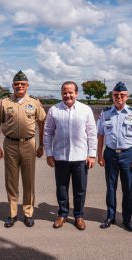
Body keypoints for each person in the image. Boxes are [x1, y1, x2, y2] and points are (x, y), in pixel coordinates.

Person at [0, 70, 46, 228]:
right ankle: (12, 213)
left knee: (29, 180)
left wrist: (41, 145)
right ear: (12, 86)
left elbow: (42, 123)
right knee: (11, 181)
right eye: (16, 84)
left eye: (22, 84)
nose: (19, 86)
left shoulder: (35, 103)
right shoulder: (5, 103)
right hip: (9, 145)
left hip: (29, 144)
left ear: (27, 86)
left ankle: (28, 213)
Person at [44, 81, 97, 230]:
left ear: (76, 93)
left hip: (80, 157)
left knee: (80, 189)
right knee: (61, 188)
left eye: (70, 92)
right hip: (60, 156)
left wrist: (92, 154)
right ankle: (62, 214)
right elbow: (48, 133)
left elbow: (92, 134)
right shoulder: (54, 110)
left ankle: (79, 216)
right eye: (65, 92)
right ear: (61, 94)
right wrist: (49, 153)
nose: (68, 95)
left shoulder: (85, 110)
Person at [97, 81, 132, 231]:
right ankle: (110, 217)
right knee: (110, 187)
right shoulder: (105, 113)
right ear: (112, 96)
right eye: (116, 95)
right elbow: (100, 136)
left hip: (128, 155)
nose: (119, 97)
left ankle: (127, 219)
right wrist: (100, 155)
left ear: (127, 96)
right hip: (110, 154)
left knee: (127, 189)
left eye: (122, 95)